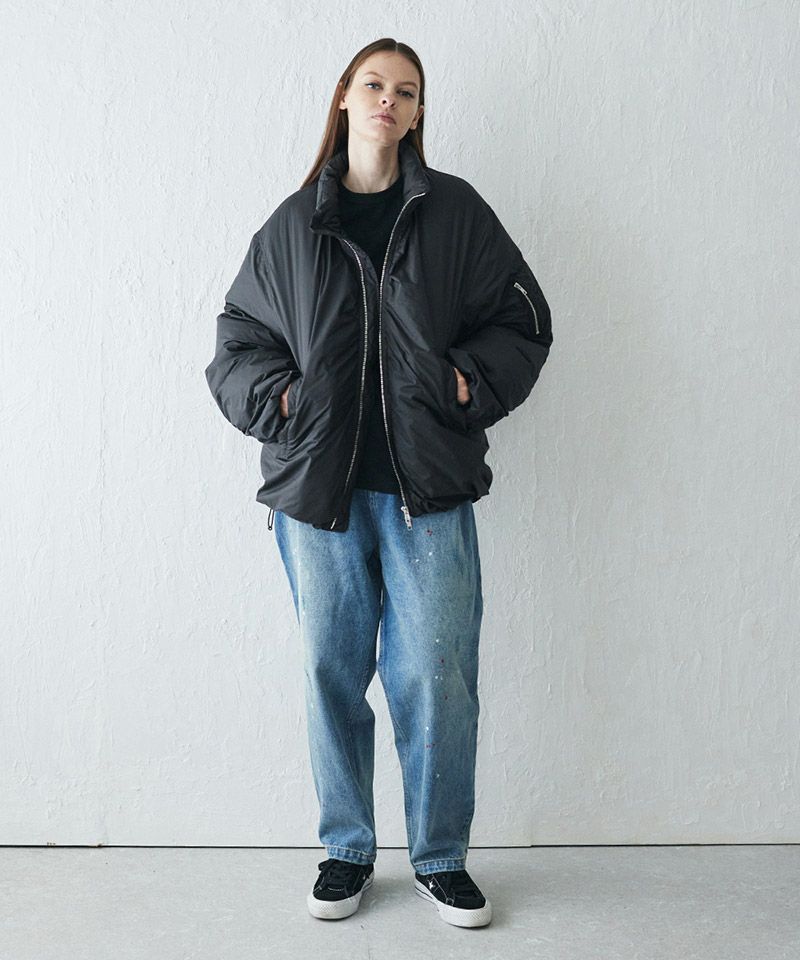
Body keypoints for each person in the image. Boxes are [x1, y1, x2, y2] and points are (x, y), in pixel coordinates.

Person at [205, 38, 553, 929]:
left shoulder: (455, 213)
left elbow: (523, 321)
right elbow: (237, 342)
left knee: (437, 674)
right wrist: (285, 400)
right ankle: (347, 850)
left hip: (425, 490)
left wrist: (464, 382)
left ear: (418, 112)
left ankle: (440, 858)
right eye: (373, 85)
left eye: (406, 91)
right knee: (331, 671)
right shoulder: (295, 225)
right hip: (317, 497)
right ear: (344, 98)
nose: (387, 100)